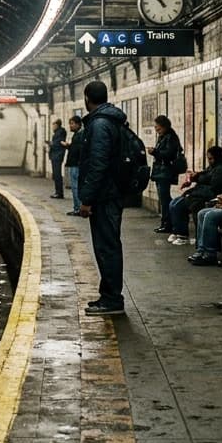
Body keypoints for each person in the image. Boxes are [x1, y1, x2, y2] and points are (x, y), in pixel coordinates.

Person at [78, 81, 127, 315]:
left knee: (107, 247)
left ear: (87, 98)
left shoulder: (99, 124)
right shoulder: (111, 121)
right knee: (107, 246)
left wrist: (86, 199)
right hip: (111, 193)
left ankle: (112, 300)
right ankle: (107, 295)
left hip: (105, 196)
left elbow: (97, 164)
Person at [167, 145, 222, 245]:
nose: (209, 161)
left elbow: (214, 187)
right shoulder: (213, 168)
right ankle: (178, 232)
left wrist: (197, 181)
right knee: (174, 203)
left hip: (209, 196)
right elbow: (205, 177)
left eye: (211, 158)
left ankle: (182, 234)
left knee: (181, 205)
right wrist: (195, 178)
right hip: (201, 194)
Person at [63, 114, 84, 215]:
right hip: (76, 164)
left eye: (72, 124)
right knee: (77, 187)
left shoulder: (79, 136)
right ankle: (78, 207)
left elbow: (77, 150)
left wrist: (68, 146)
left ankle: (78, 208)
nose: (70, 126)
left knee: (75, 187)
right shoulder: (78, 135)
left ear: (78, 124)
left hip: (76, 165)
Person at [47, 118, 67, 198]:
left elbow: (58, 144)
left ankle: (59, 193)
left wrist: (51, 144)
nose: (52, 127)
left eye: (54, 125)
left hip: (57, 156)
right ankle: (57, 192)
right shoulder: (58, 133)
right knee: (56, 175)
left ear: (57, 125)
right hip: (56, 156)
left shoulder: (60, 133)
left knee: (57, 175)